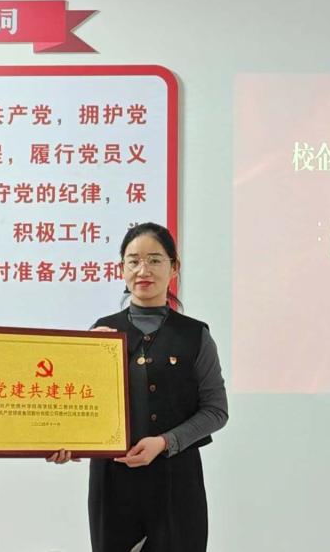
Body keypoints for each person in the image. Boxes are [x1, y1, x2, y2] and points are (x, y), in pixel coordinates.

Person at [50, 222, 229, 552]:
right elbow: (78, 408)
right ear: (121, 268)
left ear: (174, 267)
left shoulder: (195, 335)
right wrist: (66, 441)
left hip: (177, 482)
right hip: (114, 483)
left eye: (155, 260)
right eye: (133, 261)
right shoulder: (101, 334)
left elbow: (216, 411)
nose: (143, 270)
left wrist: (165, 442)